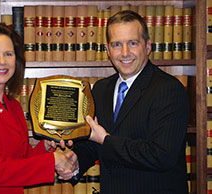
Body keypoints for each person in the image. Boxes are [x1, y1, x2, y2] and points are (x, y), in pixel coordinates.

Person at [62, 10, 189, 194]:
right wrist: (75, 161)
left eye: (133, 43)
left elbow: (161, 155)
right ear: (107, 50)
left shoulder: (169, 89)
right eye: (116, 44)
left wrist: (106, 140)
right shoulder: (101, 89)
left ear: (147, 46)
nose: (124, 53)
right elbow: (93, 143)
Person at [0, 23, 75, 194]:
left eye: (8, 54)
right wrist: (53, 161)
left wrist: (46, 147)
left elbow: (21, 159)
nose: (2, 62)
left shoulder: (13, 106)